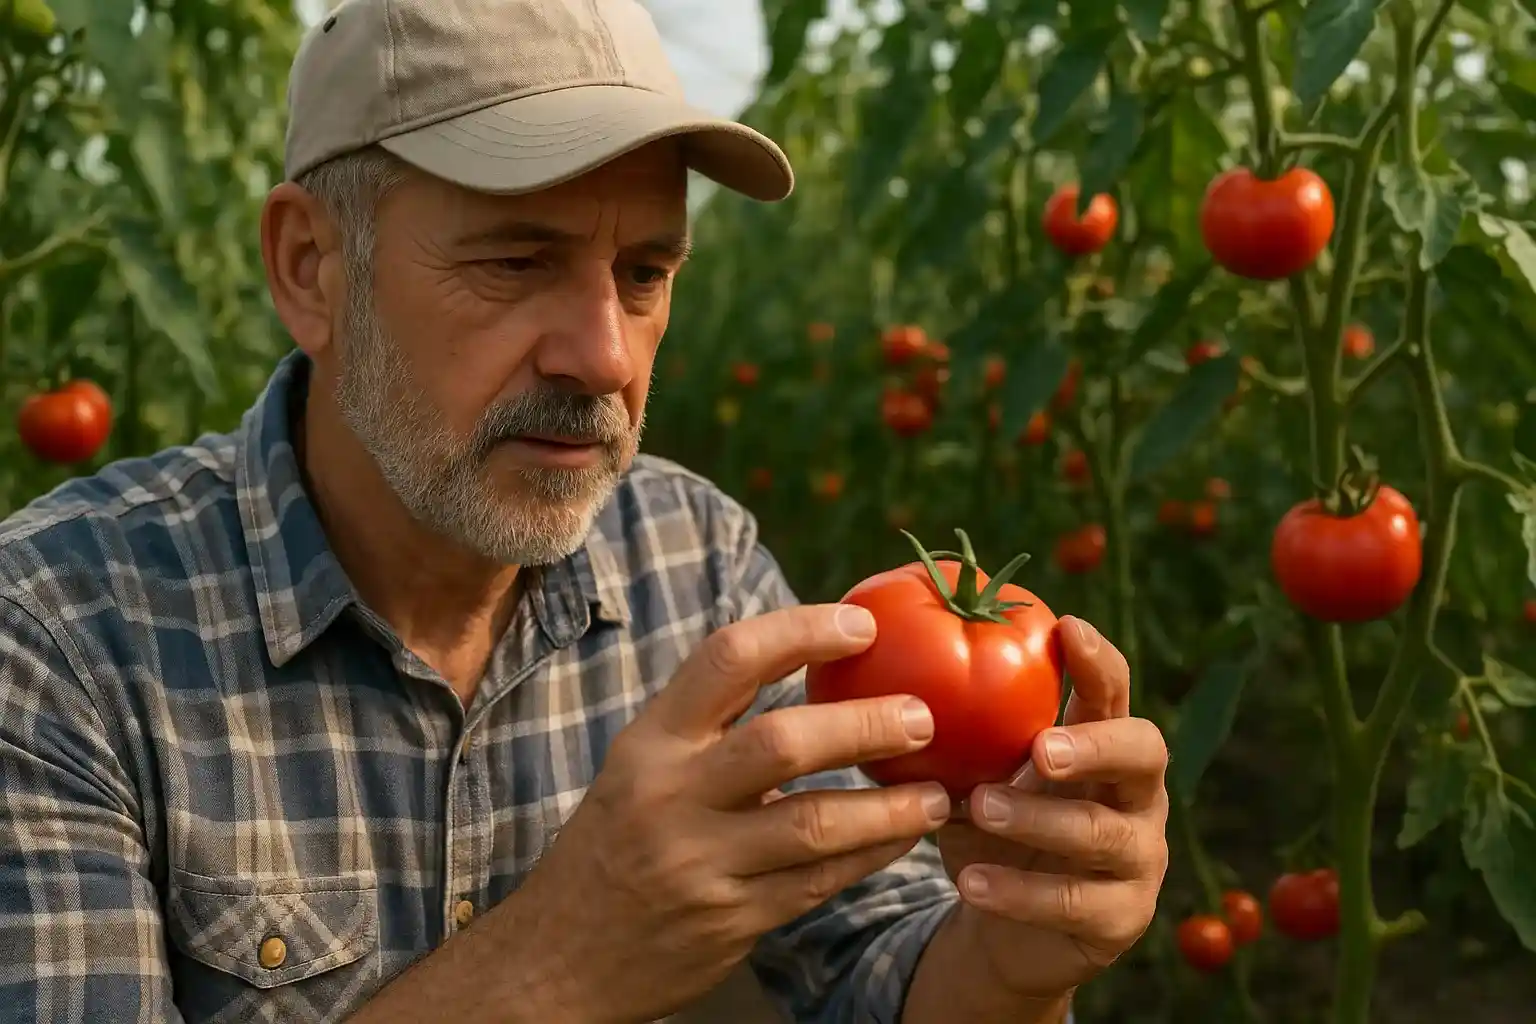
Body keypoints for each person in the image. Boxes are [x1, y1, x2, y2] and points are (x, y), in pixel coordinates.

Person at [0, 1, 1170, 1021]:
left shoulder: (693, 563)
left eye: (646, 273)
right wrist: (554, 965)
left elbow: (873, 967)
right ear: (312, 266)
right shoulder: (59, 638)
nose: (604, 354)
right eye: (514, 262)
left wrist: (1012, 961)